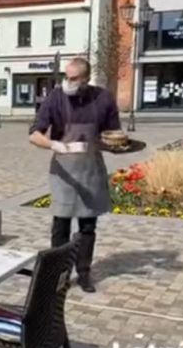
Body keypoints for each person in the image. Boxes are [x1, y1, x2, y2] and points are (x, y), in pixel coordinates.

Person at [28, 57, 121, 293]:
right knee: (60, 226)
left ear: (86, 78)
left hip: (91, 168)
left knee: (88, 227)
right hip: (64, 171)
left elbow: (112, 134)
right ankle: (58, 275)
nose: (67, 82)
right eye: (66, 77)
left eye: (73, 78)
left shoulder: (103, 98)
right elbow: (34, 134)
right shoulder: (55, 97)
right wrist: (53, 144)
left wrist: (116, 144)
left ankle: (84, 273)